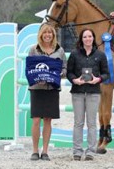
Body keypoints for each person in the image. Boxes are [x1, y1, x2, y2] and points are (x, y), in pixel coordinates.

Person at [66, 28, 109, 161]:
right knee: (78, 123)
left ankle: (90, 151)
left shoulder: (100, 55)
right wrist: (74, 80)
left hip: (93, 93)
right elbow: (69, 72)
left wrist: (98, 79)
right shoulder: (74, 54)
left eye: (90, 36)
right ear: (81, 39)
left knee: (91, 123)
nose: (87, 39)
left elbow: (106, 73)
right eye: (85, 37)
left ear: (93, 38)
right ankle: (77, 151)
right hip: (77, 92)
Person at [26, 22, 67, 161]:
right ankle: (34, 151)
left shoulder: (59, 50)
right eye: (45, 32)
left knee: (48, 120)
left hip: (52, 89)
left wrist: (60, 74)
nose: (47, 35)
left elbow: (65, 69)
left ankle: (45, 151)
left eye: (50, 32)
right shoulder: (33, 49)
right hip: (37, 89)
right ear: (41, 35)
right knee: (36, 119)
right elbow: (29, 70)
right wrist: (37, 78)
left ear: (53, 34)